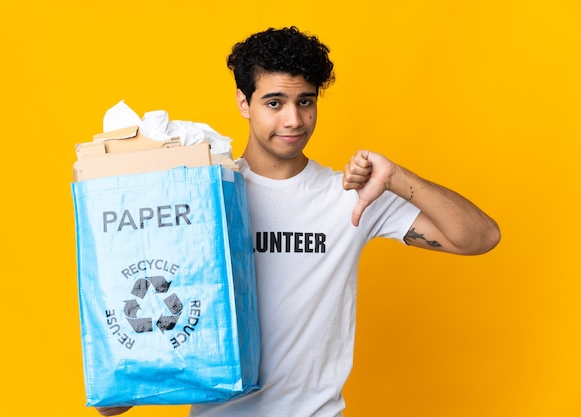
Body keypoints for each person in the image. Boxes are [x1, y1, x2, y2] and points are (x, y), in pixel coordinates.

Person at [96, 26, 500, 417]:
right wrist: (130, 381)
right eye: (274, 103)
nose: (293, 120)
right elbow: (166, 293)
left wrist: (396, 177)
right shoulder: (204, 198)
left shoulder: (352, 195)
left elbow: (480, 237)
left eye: (305, 101)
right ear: (243, 103)